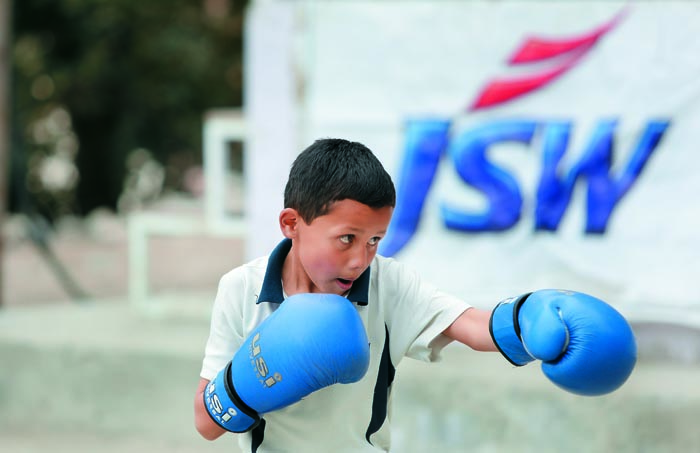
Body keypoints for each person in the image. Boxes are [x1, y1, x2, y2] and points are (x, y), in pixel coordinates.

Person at [193, 138, 636, 452]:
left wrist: (528, 318)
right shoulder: (240, 289)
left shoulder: (390, 283)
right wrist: (250, 383)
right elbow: (206, 422)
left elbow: (470, 325)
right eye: (346, 238)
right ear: (291, 224)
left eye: (374, 240)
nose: (360, 259)